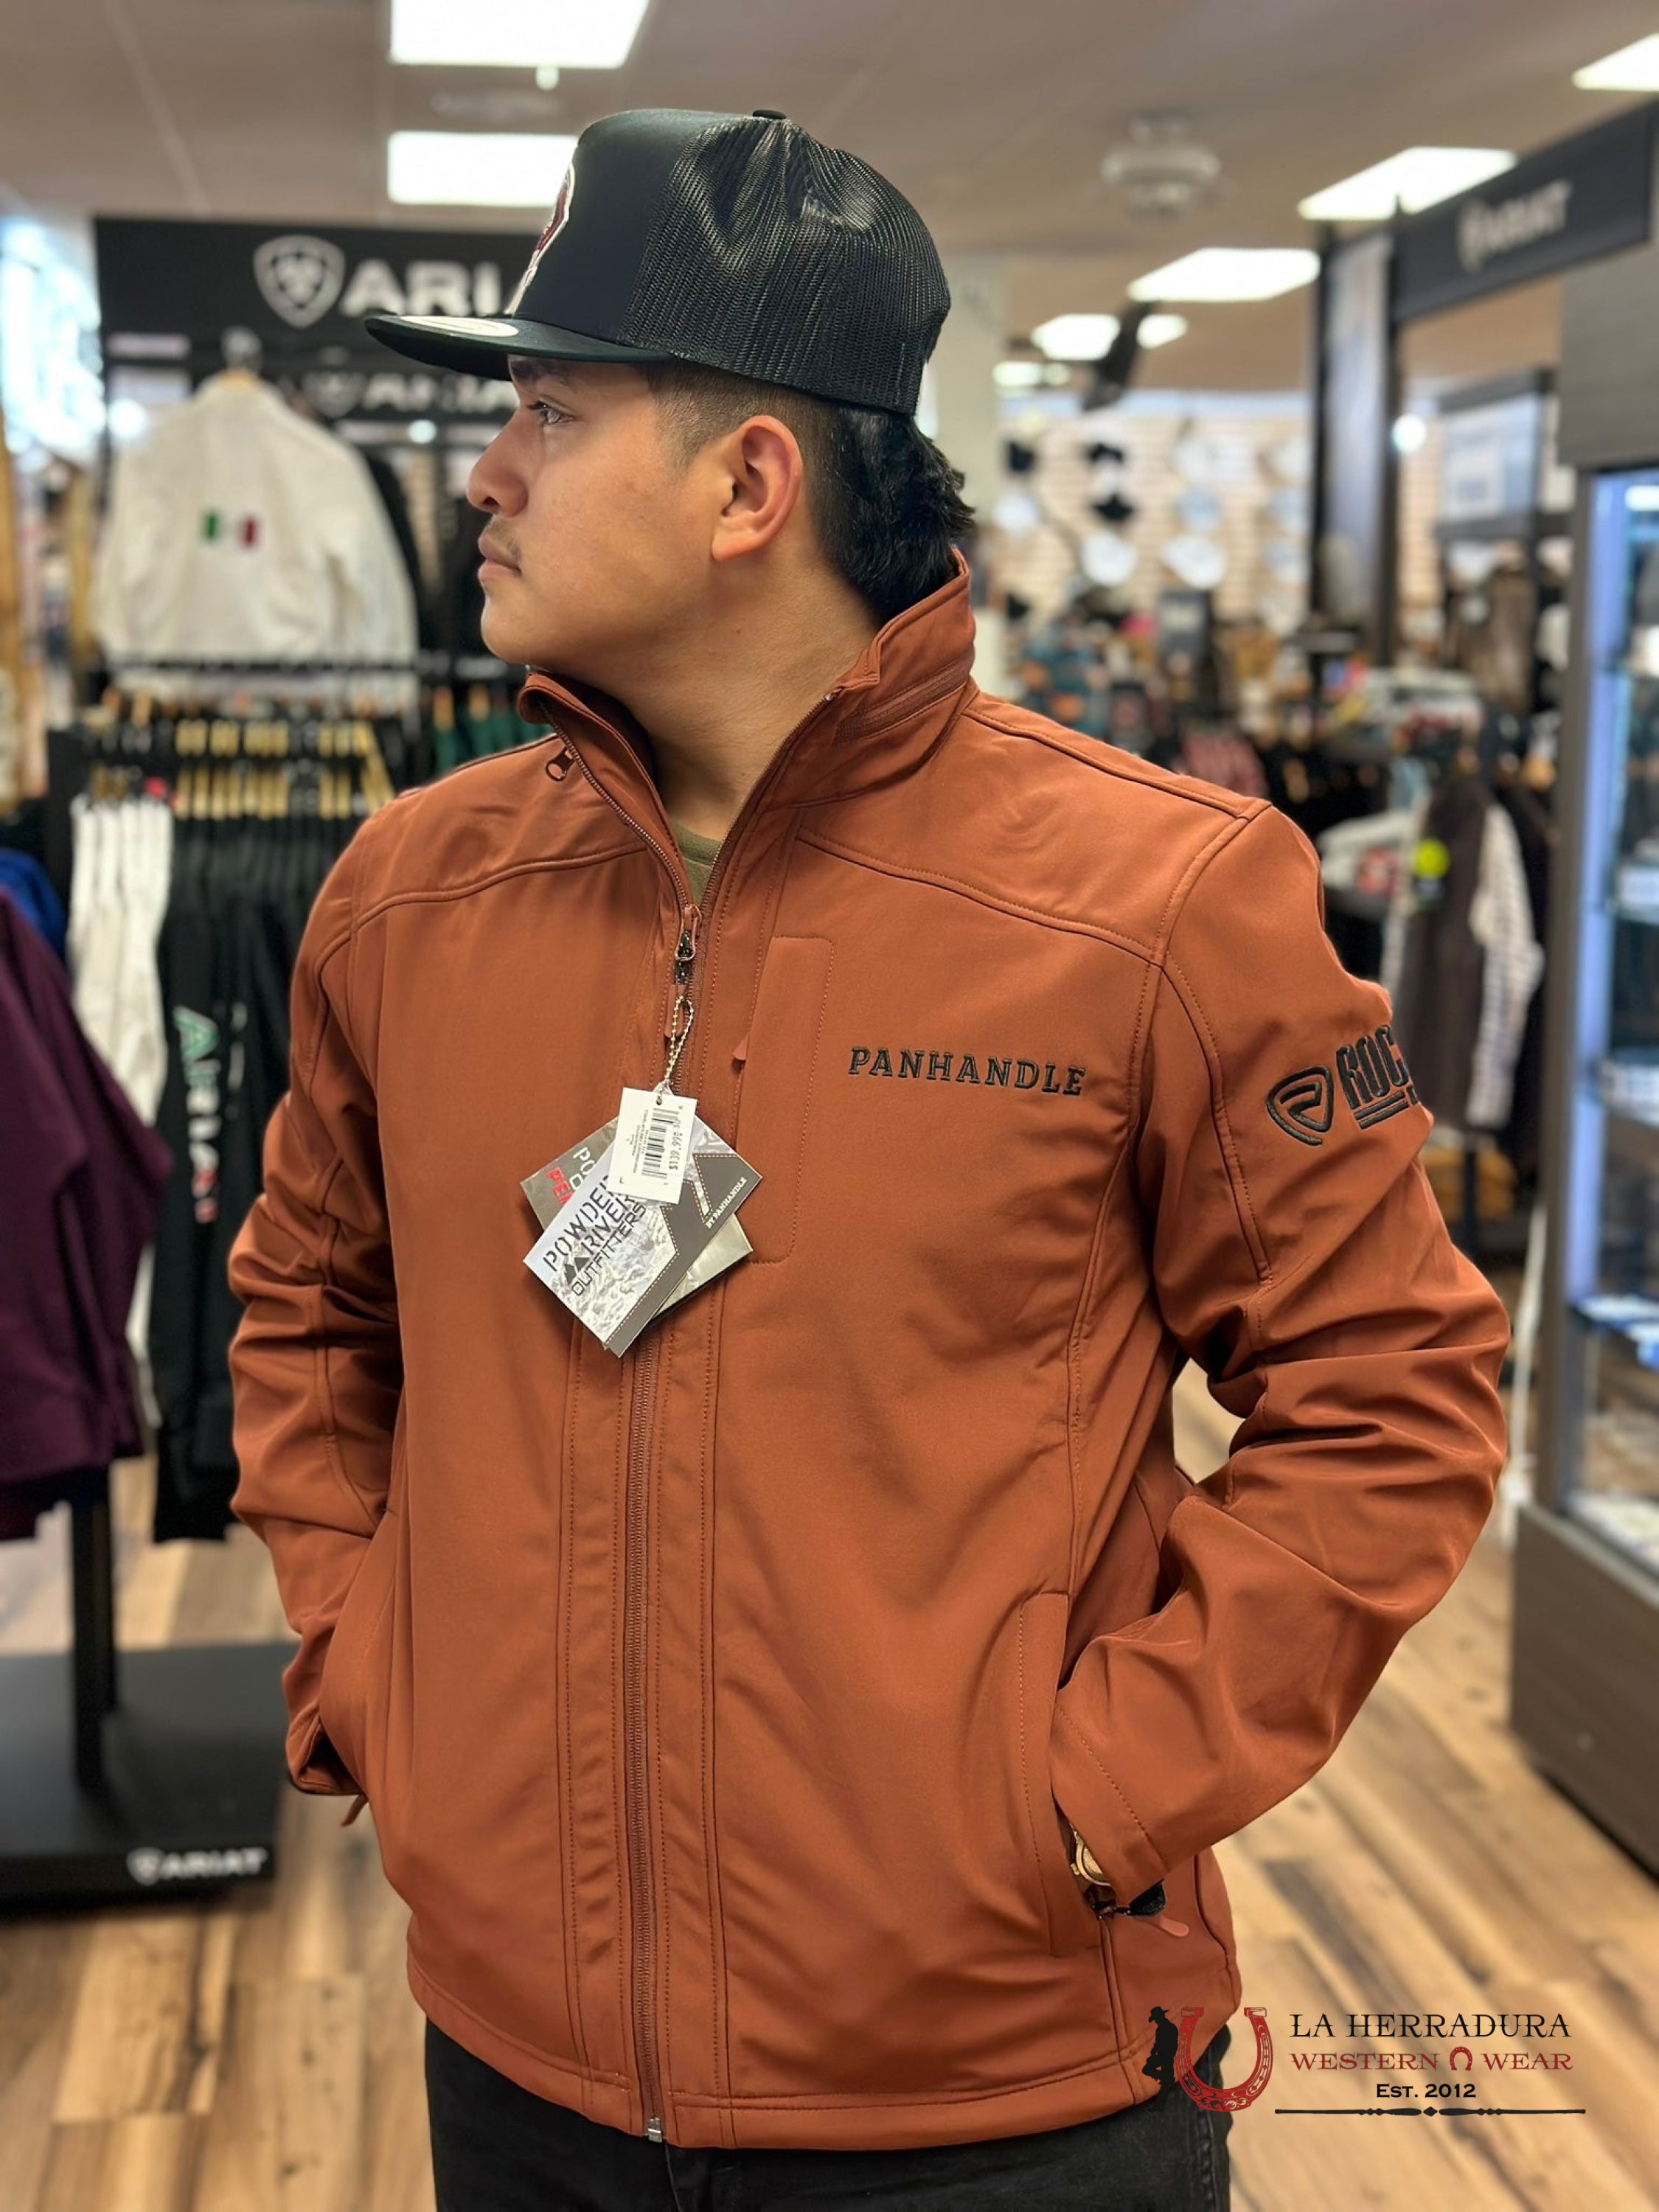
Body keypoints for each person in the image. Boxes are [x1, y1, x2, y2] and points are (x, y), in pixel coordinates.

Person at [226, 107, 1510, 2212]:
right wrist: (376, 1671)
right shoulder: (407, 898)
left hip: (997, 2098)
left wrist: (1084, 1799)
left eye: (549, 413)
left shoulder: (1163, 903)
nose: (482, 474)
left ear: (751, 483)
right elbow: (305, 1311)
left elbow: (1391, 1393)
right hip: (522, 2067)